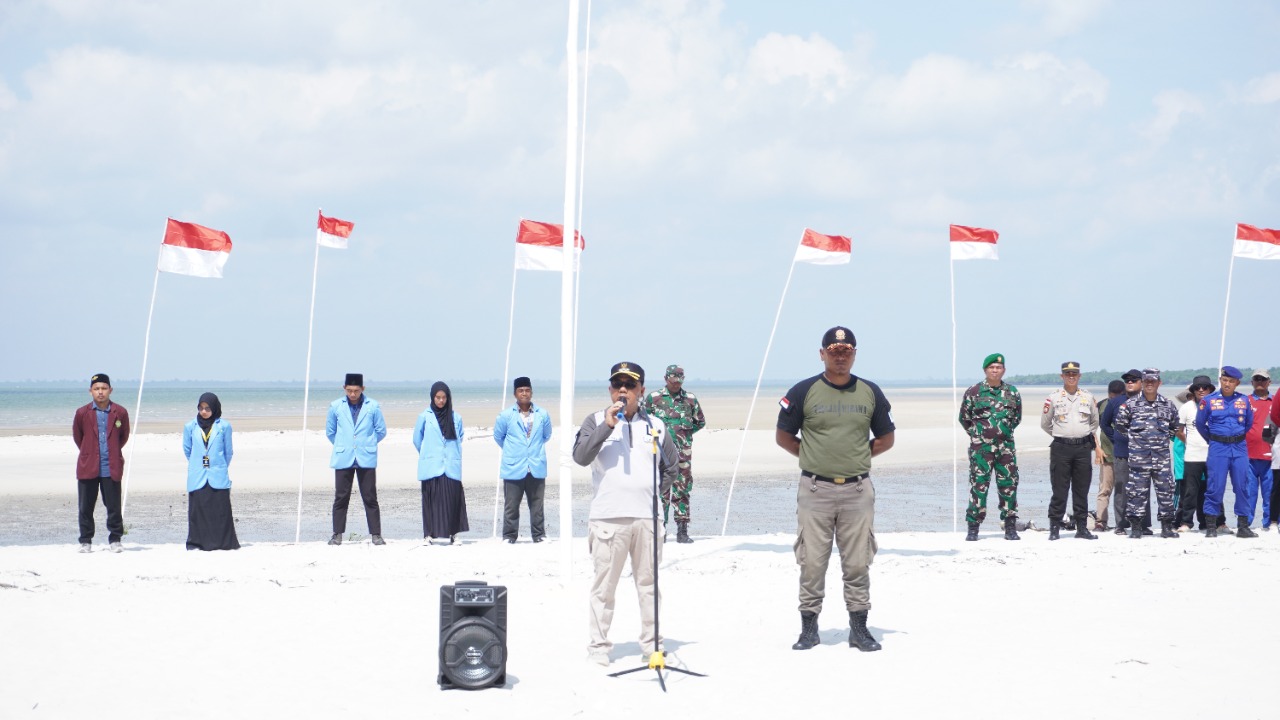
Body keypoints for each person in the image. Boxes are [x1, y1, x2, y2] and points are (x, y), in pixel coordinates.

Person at [777, 327, 895, 652]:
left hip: (858, 491)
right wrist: (816, 458)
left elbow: (886, 438)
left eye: (846, 350)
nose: (840, 355)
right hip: (815, 490)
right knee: (812, 562)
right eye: (834, 349)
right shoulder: (803, 391)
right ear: (822, 353)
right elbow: (784, 436)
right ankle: (809, 630)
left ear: (854, 354)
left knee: (857, 562)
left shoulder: (870, 392)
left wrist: (855, 458)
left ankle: (859, 630)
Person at [573, 362, 677, 666]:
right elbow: (580, 457)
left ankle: (652, 646)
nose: (623, 390)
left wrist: (652, 494)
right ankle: (599, 648)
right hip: (607, 520)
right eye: (617, 384)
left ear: (641, 391)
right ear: (609, 390)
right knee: (604, 588)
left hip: (647, 520)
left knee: (649, 586)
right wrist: (608, 426)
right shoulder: (594, 421)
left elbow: (671, 467)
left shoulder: (656, 424)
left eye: (630, 385)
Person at [957, 353, 1022, 541]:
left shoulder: (1012, 392)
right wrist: (979, 435)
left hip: (1006, 449)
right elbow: (964, 418)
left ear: (1004, 370)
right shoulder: (974, 391)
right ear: (985, 370)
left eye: (998, 367)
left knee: (1008, 485)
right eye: (992, 367)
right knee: (978, 486)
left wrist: (1002, 433)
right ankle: (973, 527)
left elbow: (1016, 418)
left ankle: (1010, 527)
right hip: (981, 450)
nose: (995, 370)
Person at [1113, 369, 1182, 538]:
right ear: (1142, 383)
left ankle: (1166, 526)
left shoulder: (1168, 404)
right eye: (1147, 381)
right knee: (1136, 493)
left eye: (1153, 381)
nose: (1150, 384)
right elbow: (1121, 426)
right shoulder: (1130, 405)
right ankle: (1136, 527)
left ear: (1159, 383)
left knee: (1165, 492)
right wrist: (1136, 441)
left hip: (1162, 459)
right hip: (1138, 458)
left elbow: (1174, 427)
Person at [642, 364, 707, 543]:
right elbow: (643, 422)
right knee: (661, 490)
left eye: (679, 381)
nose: (676, 384)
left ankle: (682, 531)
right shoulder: (653, 399)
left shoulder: (690, 399)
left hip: (683, 454)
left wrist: (683, 435)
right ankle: (659, 530)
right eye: (673, 381)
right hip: (659, 454)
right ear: (666, 379)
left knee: (682, 490)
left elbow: (700, 422)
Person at [325, 373, 387, 546]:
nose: (353, 394)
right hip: (344, 456)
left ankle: (376, 534)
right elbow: (330, 432)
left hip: (365, 457)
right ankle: (337, 534)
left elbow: (381, 431)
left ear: (362, 389)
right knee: (341, 496)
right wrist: (342, 445)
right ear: (344, 388)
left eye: (356, 391)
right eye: (350, 390)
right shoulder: (336, 406)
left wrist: (367, 444)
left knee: (370, 497)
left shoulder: (372, 406)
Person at [1040, 361, 1100, 541]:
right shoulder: (1054, 397)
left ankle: (1082, 528)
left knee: (1081, 489)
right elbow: (1045, 423)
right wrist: (1062, 435)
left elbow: (1094, 422)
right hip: (1061, 448)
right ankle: (1054, 528)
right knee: (1060, 489)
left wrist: (1081, 435)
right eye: (1068, 374)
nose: (1071, 377)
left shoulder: (1088, 397)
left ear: (1079, 376)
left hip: (1082, 448)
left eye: (1074, 374)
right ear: (1062, 376)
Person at [72, 373, 131, 553]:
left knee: (113, 505)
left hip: (110, 464)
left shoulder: (119, 412)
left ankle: (115, 539)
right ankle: (86, 541)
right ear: (90, 391)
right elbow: (78, 437)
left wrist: (112, 451)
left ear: (110, 390)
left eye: (104, 388)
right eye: (96, 389)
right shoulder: (82, 413)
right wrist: (89, 452)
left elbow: (123, 436)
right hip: (88, 465)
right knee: (85, 506)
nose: (100, 392)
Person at [1195, 366, 1255, 538]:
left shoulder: (1244, 400)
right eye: (1224, 380)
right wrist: (1213, 439)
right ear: (1220, 380)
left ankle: (1243, 526)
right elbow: (1200, 424)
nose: (1227, 384)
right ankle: (1212, 526)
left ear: (1237, 383)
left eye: (1231, 381)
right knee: (1215, 486)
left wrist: (1235, 437)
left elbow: (1249, 423)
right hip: (1218, 448)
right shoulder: (1208, 400)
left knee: (1242, 486)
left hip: (1239, 448)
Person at [494, 376, 551, 543]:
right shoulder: (505, 416)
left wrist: (531, 451)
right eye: (520, 390)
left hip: (536, 465)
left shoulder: (542, 414)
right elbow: (499, 437)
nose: (524, 393)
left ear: (531, 392)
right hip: (513, 466)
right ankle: (509, 536)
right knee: (511, 505)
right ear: (515, 393)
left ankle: (539, 535)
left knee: (537, 505)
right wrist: (514, 450)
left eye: (527, 390)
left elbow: (546, 435)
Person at [181, 392, 239, 550]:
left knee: (220, 511)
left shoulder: (224, 426)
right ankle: (197, 543)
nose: (204, 411)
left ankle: (223, 543)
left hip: (218, 474)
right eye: (201, 408)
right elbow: (188, 450)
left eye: (207, 408)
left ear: (214, 408)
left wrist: (219, 465)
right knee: (198, 511)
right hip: (198, 474)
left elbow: (228, 452)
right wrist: (197, 464)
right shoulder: (190, 426)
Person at [414, 381, 468, 544]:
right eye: (438, 397)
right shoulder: (424, 416)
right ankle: (428, 535)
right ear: (432, 397)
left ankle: (454, 534)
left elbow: (460, 436)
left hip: (450, 465)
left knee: (453, 499)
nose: (441, 401)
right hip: (431, 465)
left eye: (444, 397)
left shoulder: (456, 417)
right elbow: (417, 440)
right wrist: (428, 454)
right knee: (430, 500)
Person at [1101, 369, 1150, 535]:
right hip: (1122, 452)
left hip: (1144, 453)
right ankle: (1120, 524)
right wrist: (1116, 438)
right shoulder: (1116, 402)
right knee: (1121, 488)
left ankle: (1143, 524)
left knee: (1143, 488)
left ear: (1141, 382)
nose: (1130, 382)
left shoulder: (1148, 401)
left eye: (1134, 380)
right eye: (1127, 380)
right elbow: (1104, 423)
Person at [1178, 376, 1216, 532]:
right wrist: (1190, 442)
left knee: (1214, 489)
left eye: (1205, 387)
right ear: (1193, 390)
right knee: (1190, 491)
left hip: (1213, 454)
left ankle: (1217, 522)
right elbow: (1178, 431)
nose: (1201, 390)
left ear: (1210, 389)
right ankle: (1186, 522)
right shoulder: (1187, 407)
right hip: (1192, 455)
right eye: (1198, 387)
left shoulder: (1215, 405)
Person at [1093, 379, 1124, 531]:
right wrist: (1097, 448)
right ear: (1109, 394)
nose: (1116, 399)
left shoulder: (1129, 404)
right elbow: (1092, 429)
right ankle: (1100, 521)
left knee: (1124, 489)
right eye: (1113, 396)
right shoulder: (1101, 405)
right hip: (1107, 454)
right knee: (1105, 489)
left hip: (1126, 455)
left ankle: (1124, 522)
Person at [1245, 369, 1273, 530]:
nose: (1260, 382)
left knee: (1270, 493)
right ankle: (1246, 523)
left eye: (1263, 379)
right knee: (1248, 492)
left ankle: (1270, 523)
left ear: (1269, 382)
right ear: (1252, 382)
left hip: (1272, 457)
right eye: (1257, 379)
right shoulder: (1245, 401)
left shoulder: (1276, 402)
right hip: (1248, 456)